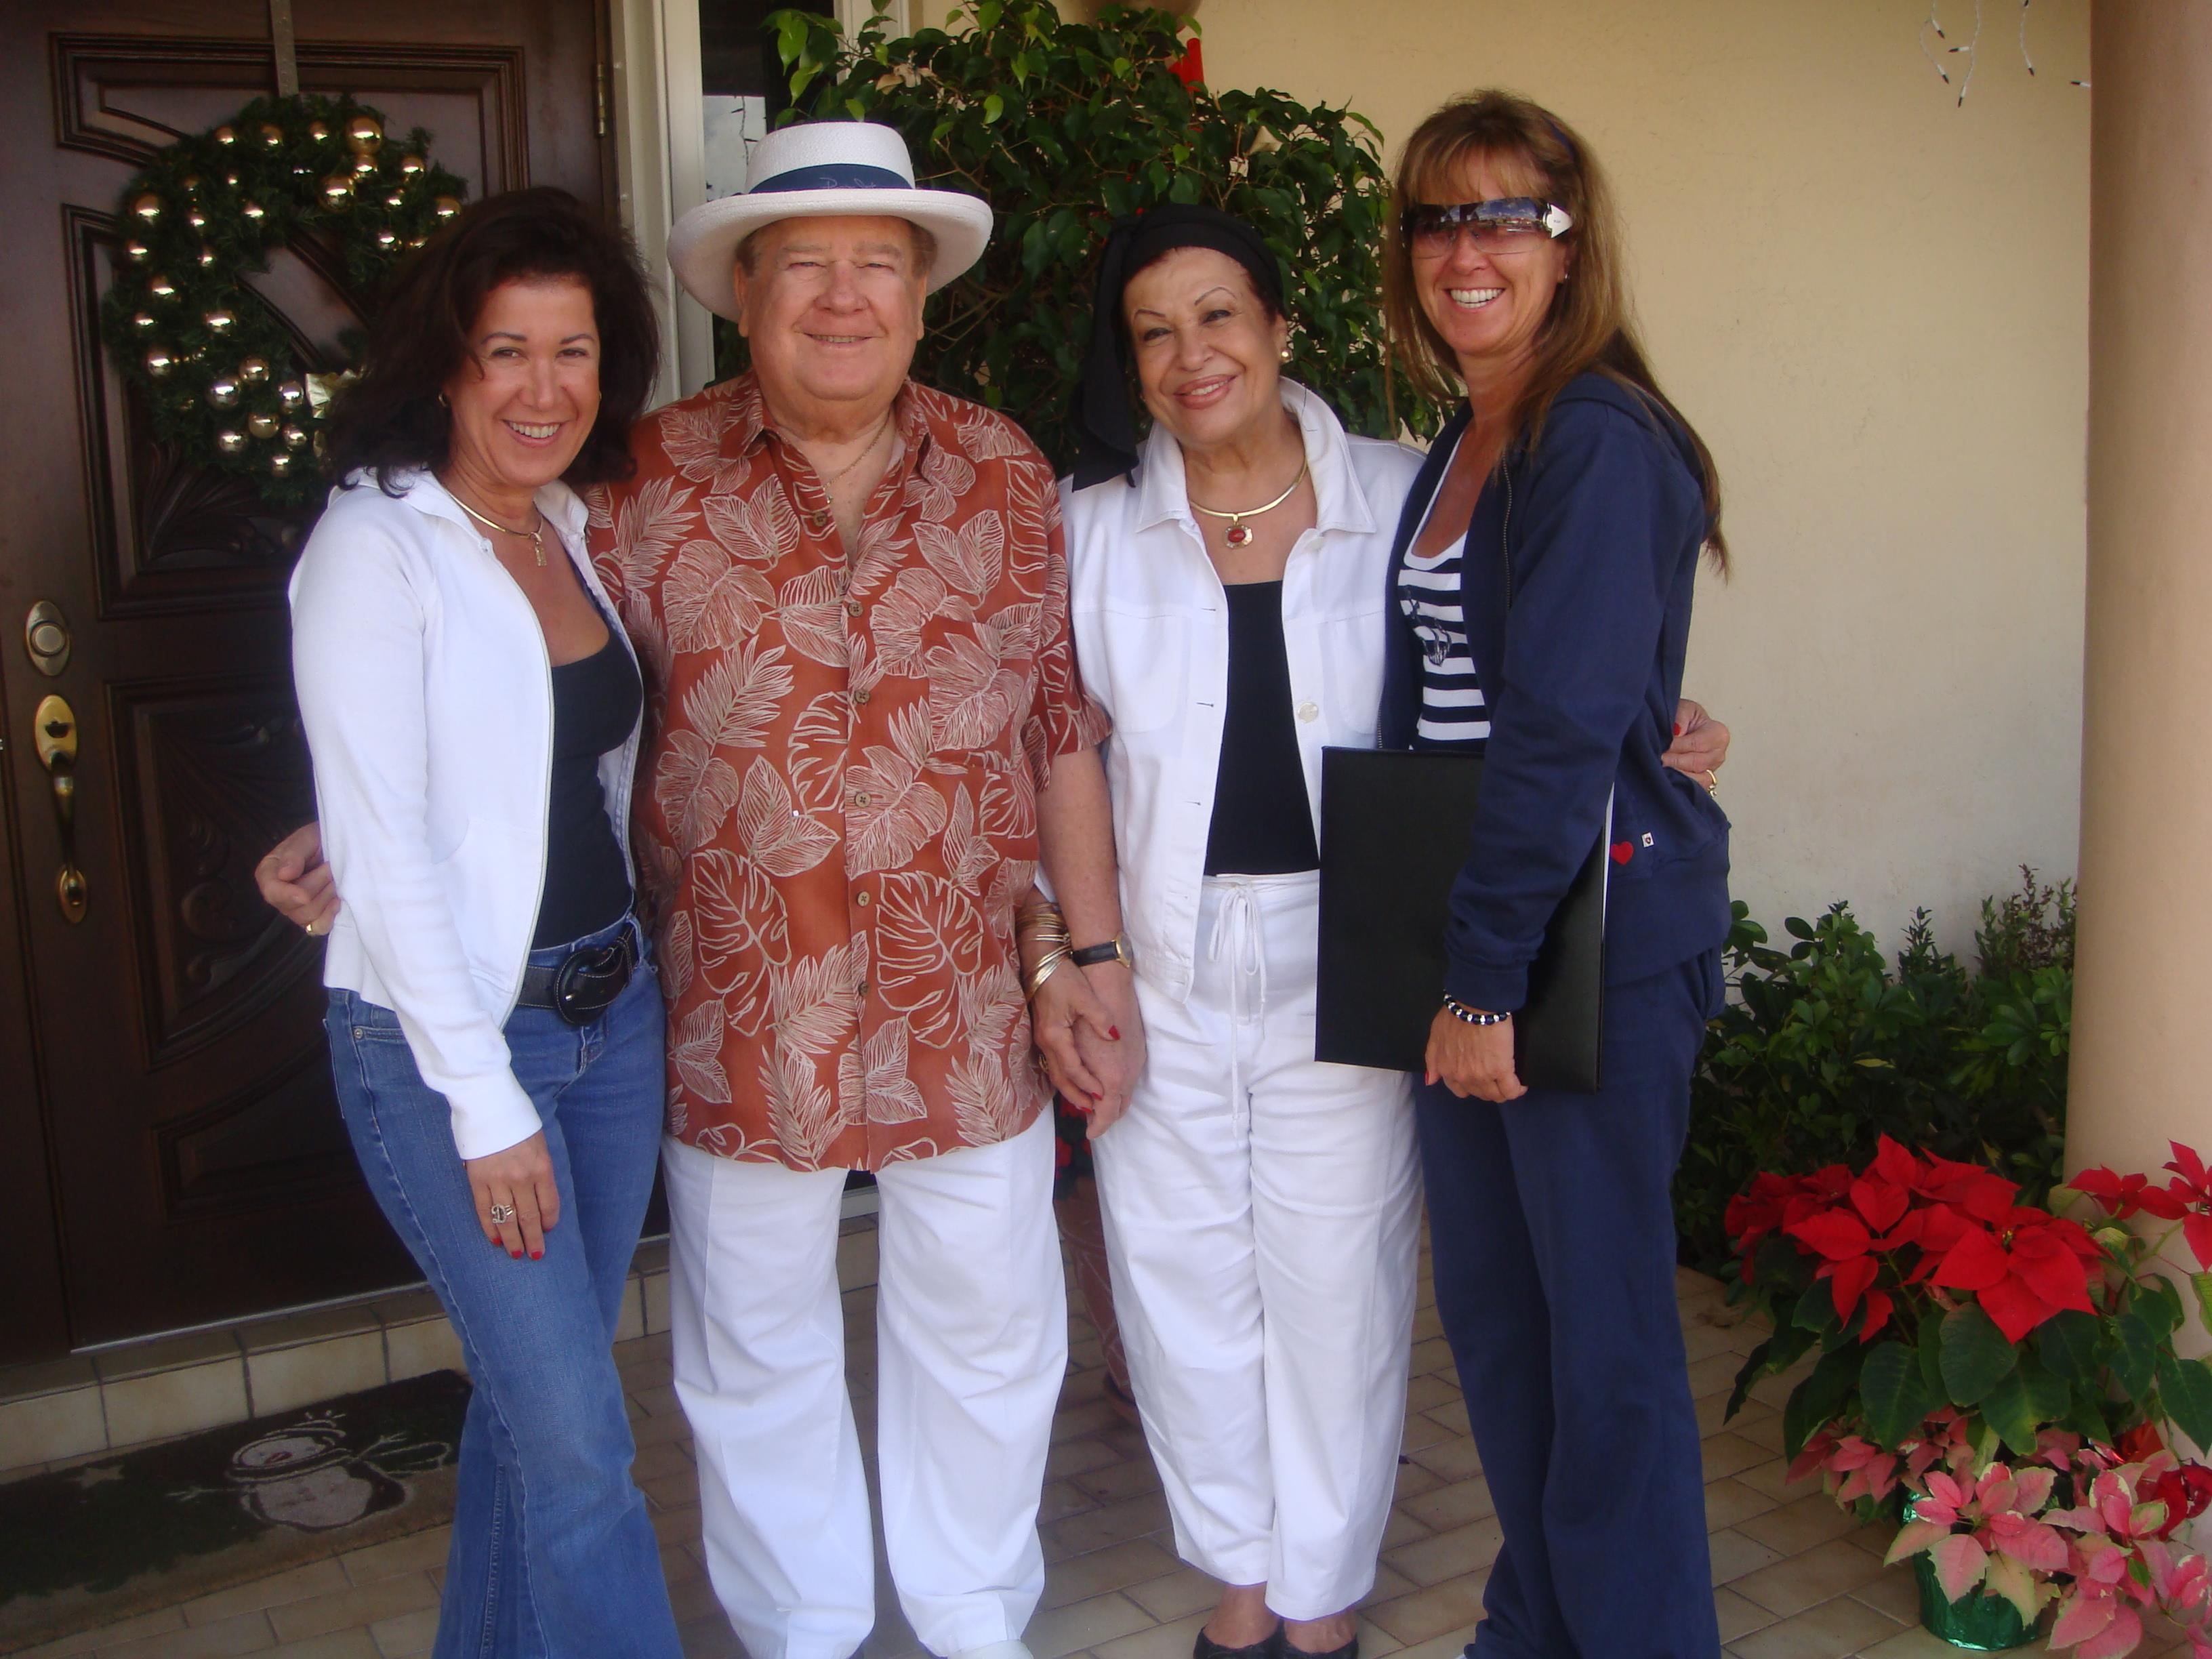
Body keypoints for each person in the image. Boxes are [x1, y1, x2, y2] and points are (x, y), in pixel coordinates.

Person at [263, 120, 1136, 1659]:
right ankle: (802, 1629)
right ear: (744, 292)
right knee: (754, 1346)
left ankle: (972, 1621)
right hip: (738, 996)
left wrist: (1094, 952)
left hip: (967, 994)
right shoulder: (637, 479)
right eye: (806, 265)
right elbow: (513, 678)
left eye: (881, 265)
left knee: (989, 1333)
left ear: (926, 296)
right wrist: (356, 823)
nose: (844, 298)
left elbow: (1056, 721)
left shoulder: (1004, 470)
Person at [1052, 206, 1730, 1659]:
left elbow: (1531, 664)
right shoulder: (1089, 527)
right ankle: (1240, 1580)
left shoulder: (1405, 492)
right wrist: (1077, 956)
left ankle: (1322, 1602)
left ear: (1283, 328)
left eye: (1220, 314)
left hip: (1367, 949)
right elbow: (1058, 748)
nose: (1192, 355)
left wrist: (1648, 728)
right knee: (1177, 1290)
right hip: (1158, 953)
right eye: (1156, 331)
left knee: (1337, 1285)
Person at [285, 188, 681, 1657]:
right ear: (444, 363)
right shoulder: (374, 548)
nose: (542, 389)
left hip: (613, 1015)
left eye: (571, 350)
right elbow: (385, 835)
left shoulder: (567, 527)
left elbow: (522, 774)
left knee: (535, 1425)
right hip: (455, 1047)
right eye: (505, 350)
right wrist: (482, 1102)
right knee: (582, 1445)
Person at [1385, 93, 1735, 1659]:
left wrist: (1477, 984)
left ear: (1566, 241)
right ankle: (1537, 1624)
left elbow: (1556, 729)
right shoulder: (1472, 430)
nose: (1468, 251)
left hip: (1564, 945)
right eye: (1438, 221)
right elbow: (1489, 692)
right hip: (1466, 920)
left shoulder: (1595, 432)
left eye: (1504, 216)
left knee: (1604, 1358)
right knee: (1509, 1340)